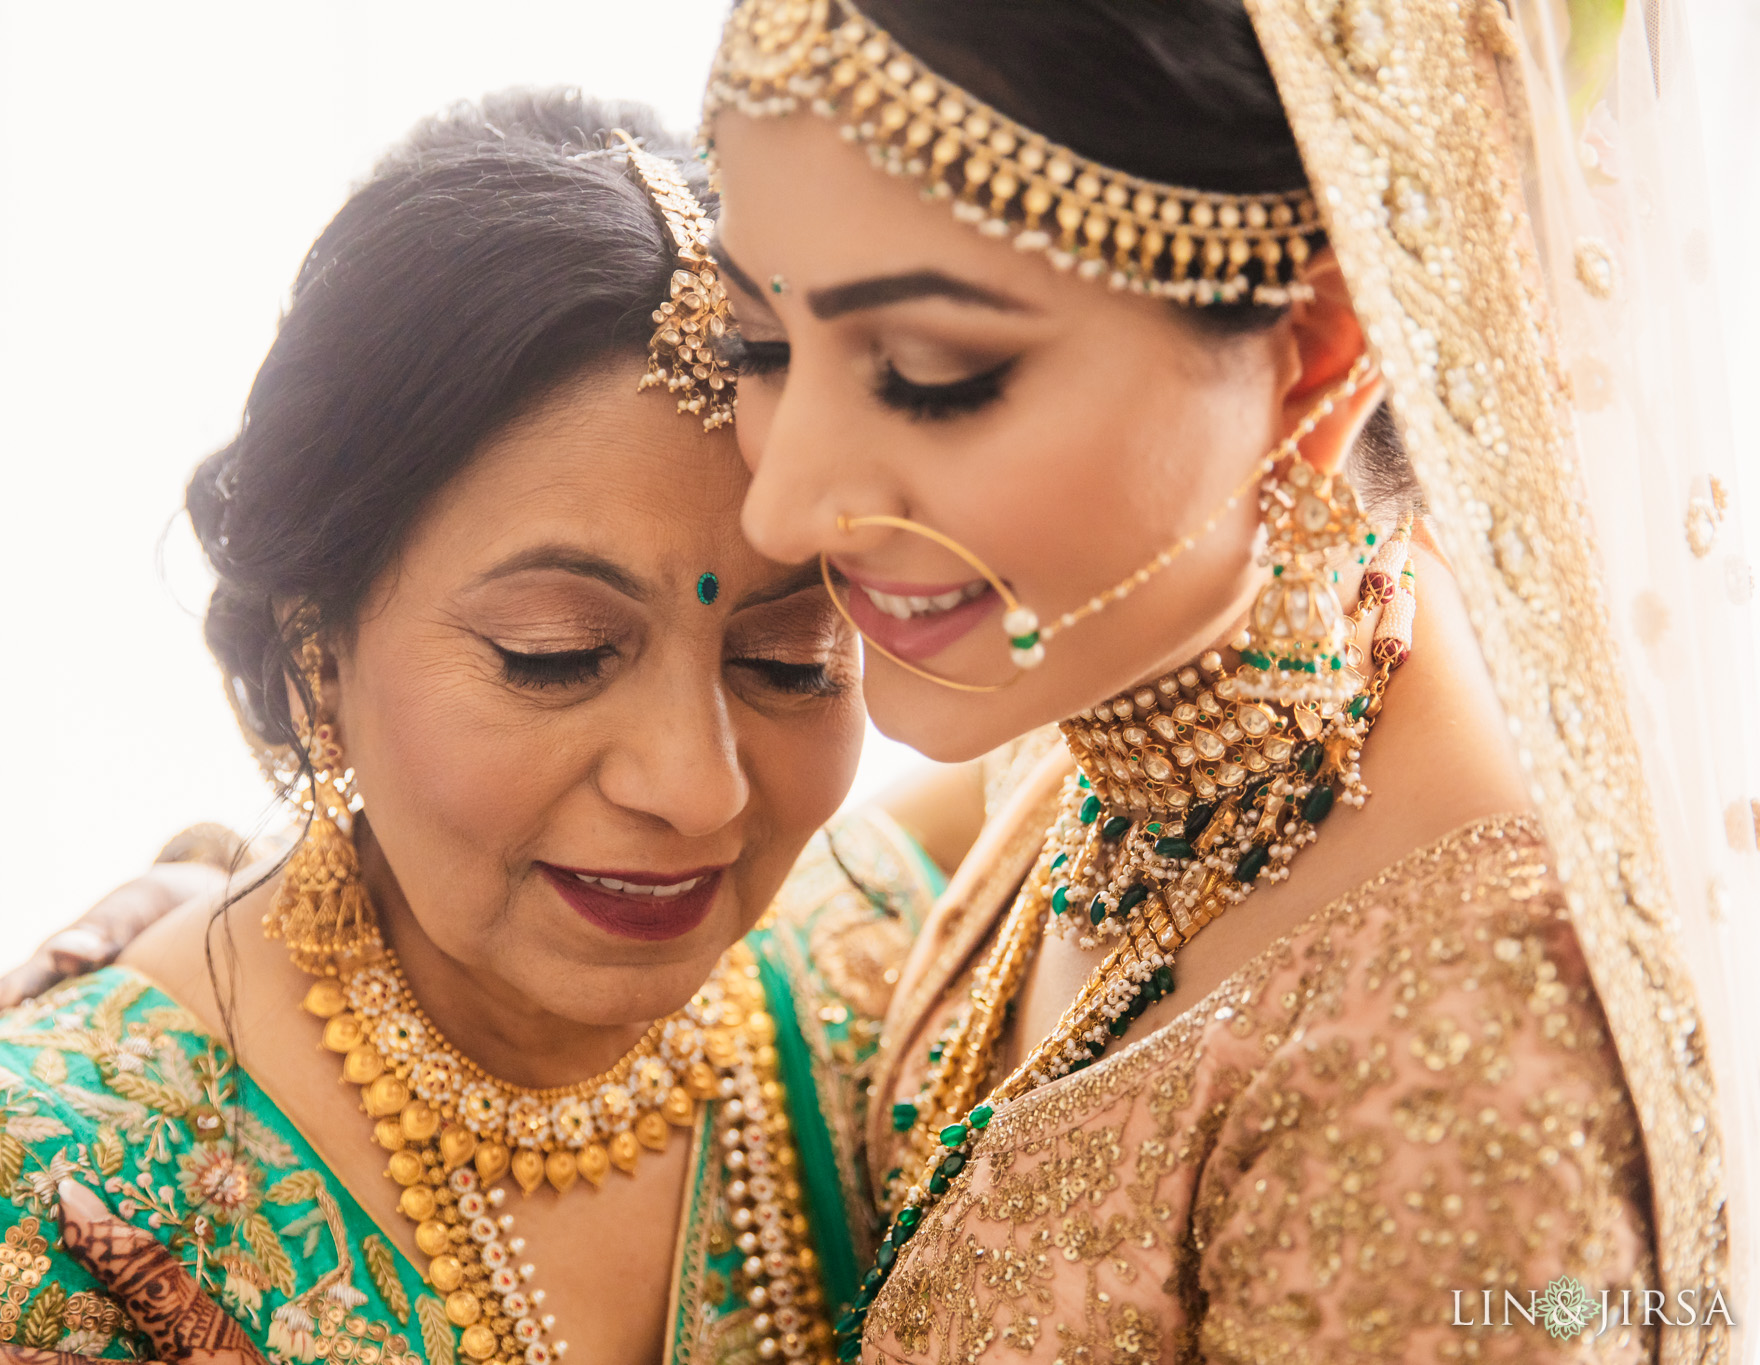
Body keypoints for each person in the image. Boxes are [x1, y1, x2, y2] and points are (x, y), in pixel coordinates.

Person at [0, 91, 958, 1365]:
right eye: (559, 655)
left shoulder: (886, 981)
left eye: (788, 659)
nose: (697, 790)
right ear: (316, 650)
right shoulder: (42, 1182)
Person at [701, 0, 1745, 1362]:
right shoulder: (1099, 722)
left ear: (1313, 350)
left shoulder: (1460, 1064)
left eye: (928, 374)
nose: (782, 507)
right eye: (758, 348)